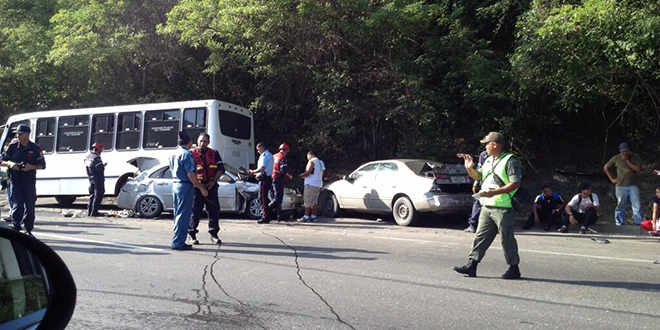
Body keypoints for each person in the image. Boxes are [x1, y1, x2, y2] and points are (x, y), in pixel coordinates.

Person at [453, 132, 523, 279]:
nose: (485, 147)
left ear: (495, 144)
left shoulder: (511, 160)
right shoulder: (489, 160)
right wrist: (469, 168)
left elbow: (515, 183)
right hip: (487, 205)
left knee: (506, 239)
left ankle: (514, 268)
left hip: (503, 207)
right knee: (480, 237)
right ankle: (472, 265)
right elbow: (479, 176)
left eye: (487, 144)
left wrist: (496, 192)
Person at [0, 124, 46, 235]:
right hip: (15, 181)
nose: (18, 136)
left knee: (30, 206)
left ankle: (28, 229)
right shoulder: (12, 146)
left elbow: (42, 165)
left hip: (29, 181)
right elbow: (2, 160)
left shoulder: (35, 148)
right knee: (18, 205)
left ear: (27, 134)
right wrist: (11, 164)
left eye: (20, 134)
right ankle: (16, 227)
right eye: (17, 134)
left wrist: (31, 167)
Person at [169, 131, 208, 250]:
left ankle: (177, 239)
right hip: (185, 186)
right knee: (183, 215)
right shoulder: (187, 154)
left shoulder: (174, 153)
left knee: (178, 214)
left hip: (176, 184)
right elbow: (190, 174)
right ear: (189, 142)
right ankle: (178, 242)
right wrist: (201, 188)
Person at [188, 133, 225, 245]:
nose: (203, 143)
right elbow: (189, 172)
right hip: (196, 187)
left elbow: (221, 169)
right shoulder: (191, 154)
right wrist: (199, 186)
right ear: (197, 141)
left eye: (205, 141)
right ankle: (192, 235)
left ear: (208, 142)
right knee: (195, 211)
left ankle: (214, 234)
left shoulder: (214, 153)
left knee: (214, 211)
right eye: (201, 141)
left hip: (211, 186)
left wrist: (213, 181)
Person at [603, 143, 642, 226]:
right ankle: (619, 223)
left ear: (628, 150)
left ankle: (638, 223)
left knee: (636, 205)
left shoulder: (635, 157)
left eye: (625, 151)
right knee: (620, 205)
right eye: (622, 151)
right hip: (620, 185)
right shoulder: (616, 158)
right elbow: (606, 167)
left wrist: (627, 161)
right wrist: (612, 179)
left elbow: (637, 169)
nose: (624, 153)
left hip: (633, 185)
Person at [463, 150, 488, 233]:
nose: (487, 146)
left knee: (478, 203)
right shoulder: (484, 154)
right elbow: (479, 171)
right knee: (477, 202)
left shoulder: (505, 156)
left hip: (492, 185)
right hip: (483, 184)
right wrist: (475, 183)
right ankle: (473, 224)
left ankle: (474, 225)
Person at [248, 142, 273, 224]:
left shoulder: (265, 155)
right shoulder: (268, 155)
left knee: (263, 198)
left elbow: (262, 168)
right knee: (264, 198)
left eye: (258, 149)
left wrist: (253, 172)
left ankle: (265, 217)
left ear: (262, 147)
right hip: (266, 178)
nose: (258, 151)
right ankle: (267, 214)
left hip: (265, 178)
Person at [298, 151, 325, 222]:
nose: (307, 158)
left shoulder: (311, 161)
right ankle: (313, 216)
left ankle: (306, 216)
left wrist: (300, 176)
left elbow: (308, 172)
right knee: (314, 201)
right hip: (318, 184)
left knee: (307, 200)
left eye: (307, 156)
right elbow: (322, 173)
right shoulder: (321, 162)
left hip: (310, 184)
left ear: (310, 155)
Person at [270, 142, 293, 221]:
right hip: (278, 179)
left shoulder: (274, 156)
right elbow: (283, 170)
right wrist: (288, 175)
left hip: (271, 178)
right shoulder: (283, 158)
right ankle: (266, 210)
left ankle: (278, 216)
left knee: (275, 197)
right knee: (278, 198)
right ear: (286, 150)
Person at [85, 142, 106, 217]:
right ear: (98, 150)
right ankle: (94, 213)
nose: (101, 152)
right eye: (100, 151)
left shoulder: (88, 157)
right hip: (98, 179)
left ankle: (89, 212)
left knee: (92, 196)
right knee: (98, 195)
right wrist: (103, 166)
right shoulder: (96, 158)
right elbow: (100, 169)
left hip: (91, 179)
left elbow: (90, 168)